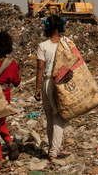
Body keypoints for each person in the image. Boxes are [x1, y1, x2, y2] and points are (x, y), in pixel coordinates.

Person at [34, 15, 71, 161]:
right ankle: (54, 152)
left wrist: (37, 90)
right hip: (60, 82)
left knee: (49, 116)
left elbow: (40, 68)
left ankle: (51, 148)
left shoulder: (43, 46)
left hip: (46, 83)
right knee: (58, 117)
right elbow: (72, 63)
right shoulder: (66, 44)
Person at [0, 30, 22, 168]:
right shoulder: (12, 63)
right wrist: (18, 69)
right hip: (5, 97)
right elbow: (17, 82)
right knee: (1, 123)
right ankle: (9, 141)